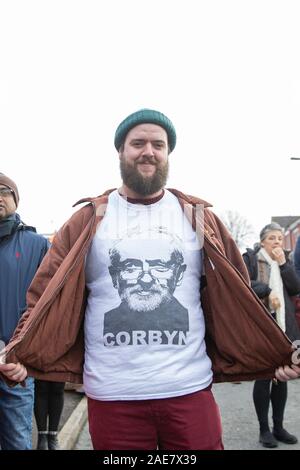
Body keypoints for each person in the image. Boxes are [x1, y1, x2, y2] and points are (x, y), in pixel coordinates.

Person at [1, 110, 300, 451]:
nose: (148, 151)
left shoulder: (200, 219)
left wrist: (271, 353)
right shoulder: (87, 220)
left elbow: (238, 297)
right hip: (112, 395)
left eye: (158, 144)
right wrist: (21, 351)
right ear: (120, 151)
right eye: (138, 143)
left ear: (168, 153)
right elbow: (44, 296)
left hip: (189, 391)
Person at [0, 173, 49, 450]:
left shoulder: (38, 246)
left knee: (18, 441)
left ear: (16, 199)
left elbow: (50, 307)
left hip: (15, 367)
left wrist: (28, 356)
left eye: (4, 191)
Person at [243, 223, 300, 448]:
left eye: (279, 238)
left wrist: (284, 264)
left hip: (284, 327)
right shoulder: (251, 259)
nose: (277, 242)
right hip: (261, 326)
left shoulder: (285, 260)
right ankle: (264, 429)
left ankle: (278, 427)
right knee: (264, 376)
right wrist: (267, 291)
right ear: (263, 241)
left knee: (281, 376)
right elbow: (243, 284)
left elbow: (296, 288)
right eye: (272, 238)